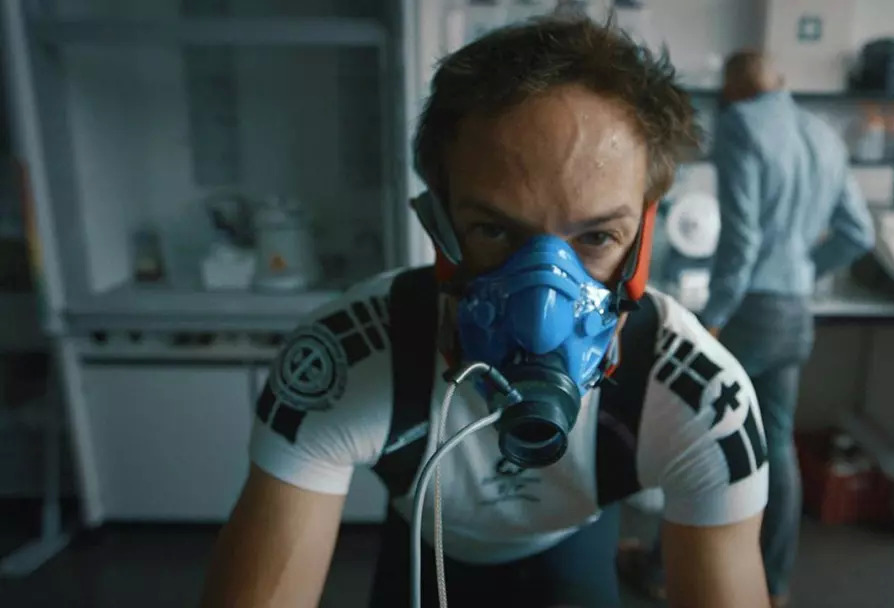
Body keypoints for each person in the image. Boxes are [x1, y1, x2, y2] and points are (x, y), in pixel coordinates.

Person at [200, 18, 772, 608]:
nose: (541, 319)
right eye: (494, 231)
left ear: (644, 238)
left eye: (597, 237)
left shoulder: (699, 396)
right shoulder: (345, 362)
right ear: (440, 223)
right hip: (427, 533)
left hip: (570, 534)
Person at [617, 51, 876, 607]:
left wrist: (714, 316)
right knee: (775, 443)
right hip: (795, 310)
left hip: (750, 311)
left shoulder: (742, 126)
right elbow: (859, 232)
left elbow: (742, 239)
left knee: (696, 433)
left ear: (733, 89)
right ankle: (775, 583)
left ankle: (661, 571)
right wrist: (802, 269)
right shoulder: (823, 135)